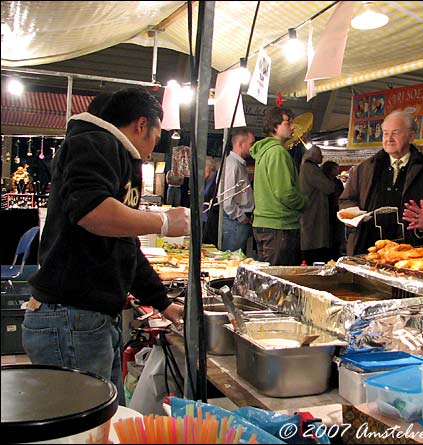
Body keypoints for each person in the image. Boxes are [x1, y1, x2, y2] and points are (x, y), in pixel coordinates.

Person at [24, 88, 190, 405]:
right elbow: (92, 212)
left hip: (91, 318)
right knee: (80, 427)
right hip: (70, 316)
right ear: (142, 124)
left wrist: (161, 302)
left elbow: (123, 245)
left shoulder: (119, 156)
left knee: (104, 421)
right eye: (157, 135)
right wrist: (163, 222)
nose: (155, 146)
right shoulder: (91, 143)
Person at [339, 110, 423, 255]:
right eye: (386, 133)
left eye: (395, 133)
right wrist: (352, 214)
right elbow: (347, 199)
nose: (389, 138)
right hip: (368, 249)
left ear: (411, 137)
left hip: (412, 251)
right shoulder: (365, 168)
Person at [250, 107, 307, 266]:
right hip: (279, 226)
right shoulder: (277, 152)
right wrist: (304, 203)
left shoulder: (264, 152)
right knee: (279, 283)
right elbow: (285, 193)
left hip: (265, 225)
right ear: (275, 126)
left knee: (269, 279)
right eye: (288, 123)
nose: (292, 127)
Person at [219, 127, 255, 253]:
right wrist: (241, 217)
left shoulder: (237, 164)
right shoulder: (232, 165)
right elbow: (226, 199)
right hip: (235, 223)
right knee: (233, 262)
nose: (252, 147)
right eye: (251, 143)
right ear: (240, 144)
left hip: (237, 221)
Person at [299, 147, 335, 265]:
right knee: (314, 242)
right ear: (313, 156)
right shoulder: (310, 169)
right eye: (320, 155)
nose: (322, 157)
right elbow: (328, 187)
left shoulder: (306, 167)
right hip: (313, 211)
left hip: (310, 210)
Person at [322, 160, 346, 259]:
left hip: (337, 210)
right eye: (336, 168)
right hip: (327, 211)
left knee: (337, 233)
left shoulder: (337, 181)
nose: (338, 170)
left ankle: (337, 252)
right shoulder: (324, 181)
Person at [202, 157, 219, 246]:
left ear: (210, 167)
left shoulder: (217, 179)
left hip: (213, 220)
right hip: (204, 219)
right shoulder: (204, 181)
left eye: (204, 167)